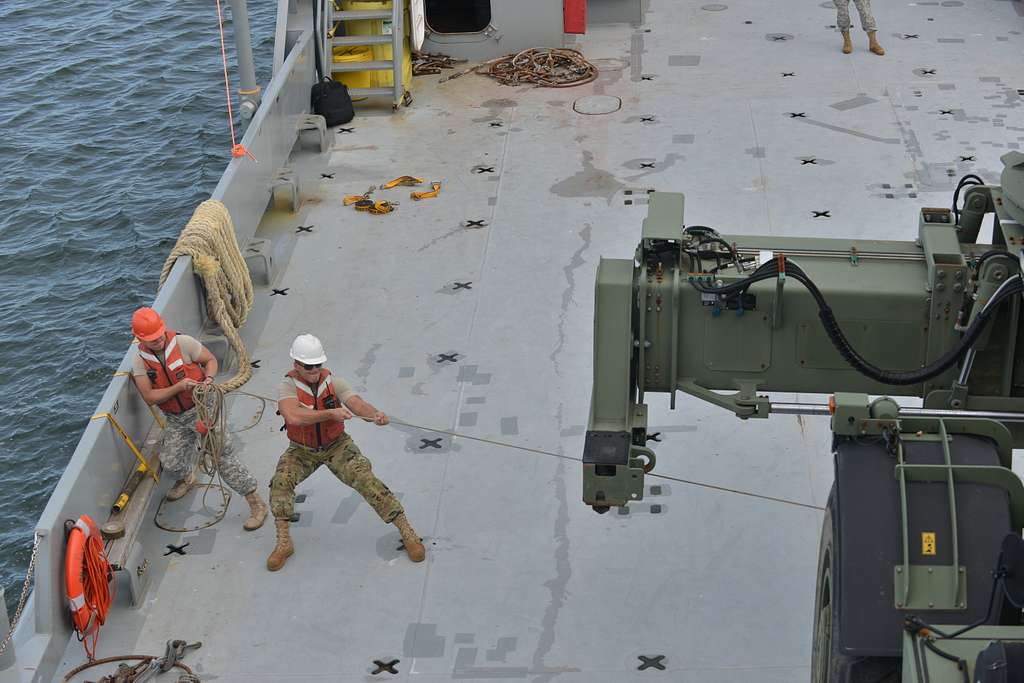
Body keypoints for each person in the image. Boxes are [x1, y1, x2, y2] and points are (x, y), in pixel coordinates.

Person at [266, 333, 425, 571]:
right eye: (308, 366)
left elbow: (357, 403)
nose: (314, 370)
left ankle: (406, 530)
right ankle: (284, 542)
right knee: (281, 482)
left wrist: (374, 414)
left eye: (318, 365)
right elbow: (293, 416)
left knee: (366, 480)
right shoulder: (287, 387)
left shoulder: (334, 383)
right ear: (296, 365)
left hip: (336, 445)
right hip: (302, 450)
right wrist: (330, 414)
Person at [130, 307, 268, 530]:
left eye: (158, 336)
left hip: (204, 410)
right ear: (139, 338)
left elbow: (209, 360)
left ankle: (256, 503)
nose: (157, 341)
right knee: (171, 463)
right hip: (175, 418)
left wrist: (209, 379)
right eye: (151, 339)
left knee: (222, 456)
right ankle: (187, 477)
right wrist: (178, 387)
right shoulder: (139, 361)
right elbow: (149, 396)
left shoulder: (183, 343)